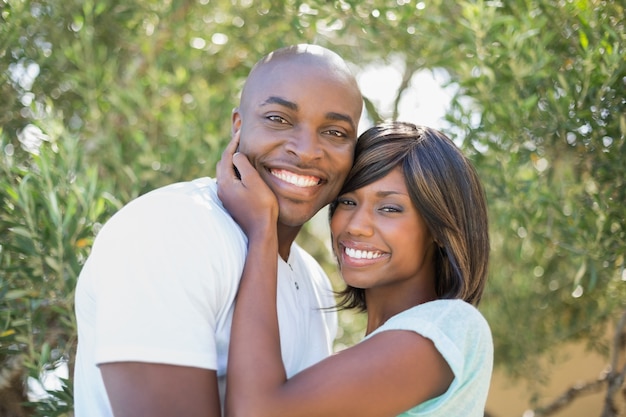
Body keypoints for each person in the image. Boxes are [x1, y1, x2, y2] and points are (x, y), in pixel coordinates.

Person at [73, 44, 363, 417]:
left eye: (335, 132)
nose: (307, 151)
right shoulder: (172, 228)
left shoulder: (314, 281)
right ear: (238, 127)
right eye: (279, 119)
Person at [217, 121, 493, 417]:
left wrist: (262, 230)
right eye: (347, 202)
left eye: (389, 208)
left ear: (438, 227)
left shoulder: (449, 327)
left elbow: (257, 413)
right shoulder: (358, 359)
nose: (356, 226)